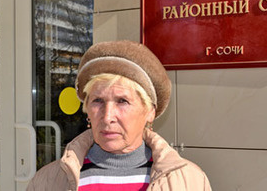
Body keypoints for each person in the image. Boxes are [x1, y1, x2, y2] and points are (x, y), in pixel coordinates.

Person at [27, 40, 211, 191]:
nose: (107, 117)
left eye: (122, 101)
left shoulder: (188, 181)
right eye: (98, 101)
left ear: (150, 112)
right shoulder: (49, 181)